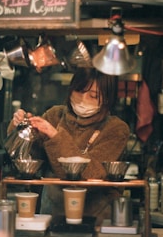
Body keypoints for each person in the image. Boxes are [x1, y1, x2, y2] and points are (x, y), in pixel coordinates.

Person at [7, 67, 130, 225]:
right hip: (51, 215)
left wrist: (55, 136)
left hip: (96, 220)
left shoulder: (116, 129)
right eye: (79, 91)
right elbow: (29, 159)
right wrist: (21, 128)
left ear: (107, 99)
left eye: (94, 95)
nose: (83, 99)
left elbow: (93, 174)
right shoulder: (55, 116)